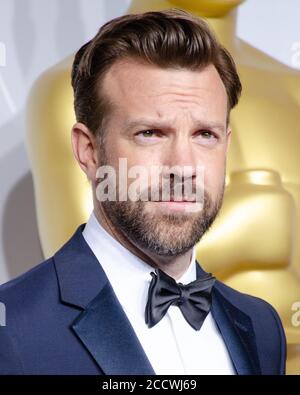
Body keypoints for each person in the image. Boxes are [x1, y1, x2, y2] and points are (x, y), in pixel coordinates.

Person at [0, 9, 286, 375]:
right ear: (88, 150)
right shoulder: (12, 330)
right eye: (150, 133)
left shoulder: (261, 326)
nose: (183, 166)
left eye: (204, 135)